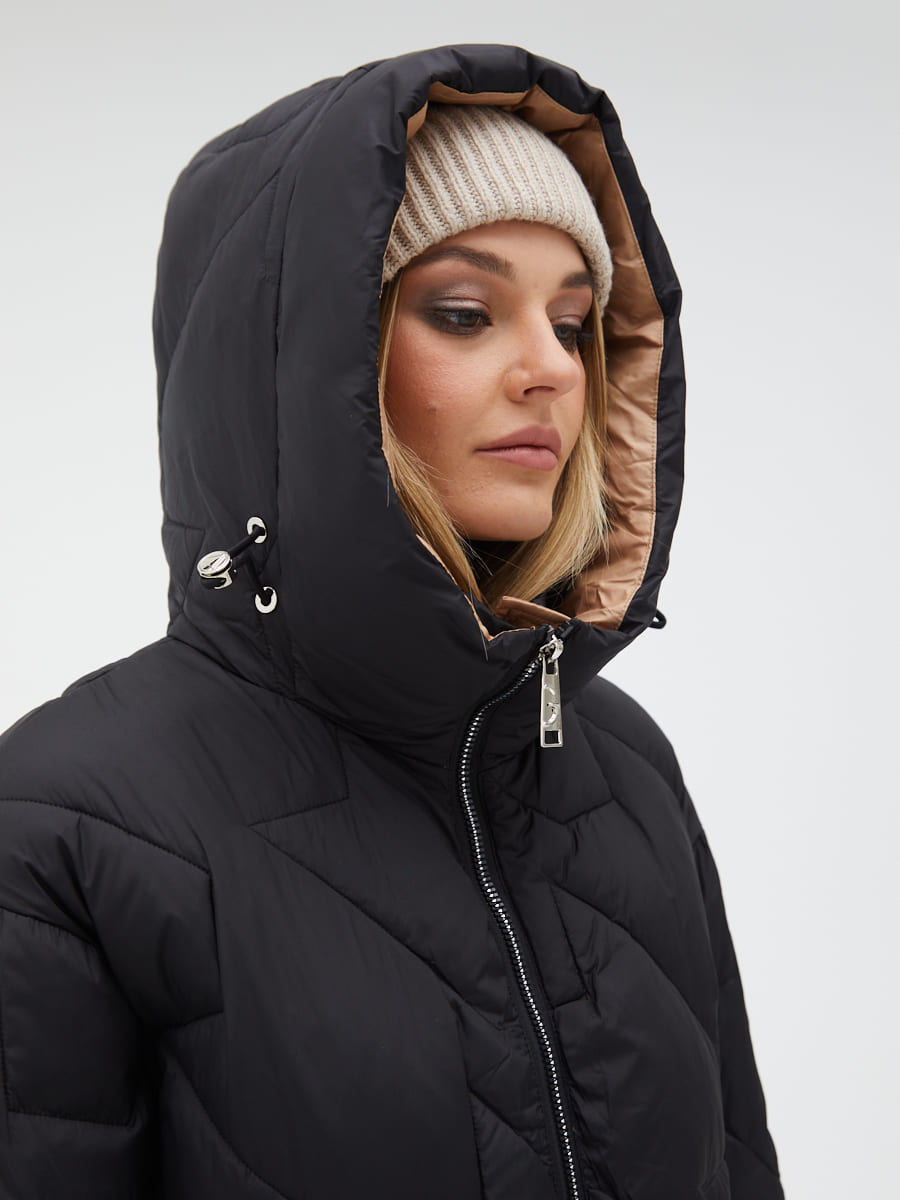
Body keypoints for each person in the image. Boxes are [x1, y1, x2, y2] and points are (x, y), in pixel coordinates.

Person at [0, 44, 784, 1200]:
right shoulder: (62, 824)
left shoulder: (623, 767)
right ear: (293, 372)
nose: (552, 370)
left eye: (575, 323)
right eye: (465, 312)